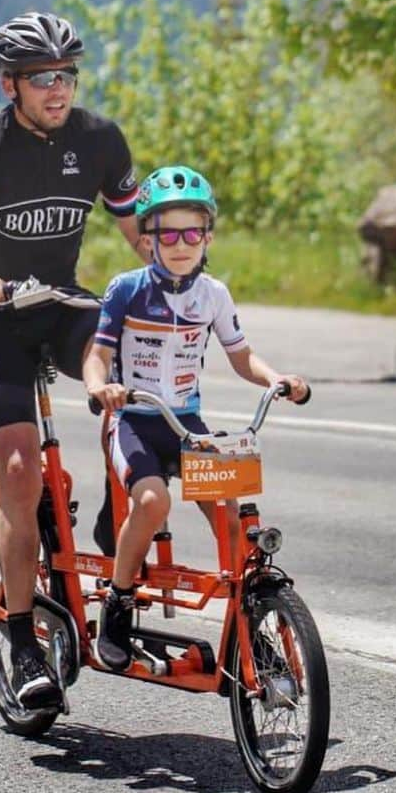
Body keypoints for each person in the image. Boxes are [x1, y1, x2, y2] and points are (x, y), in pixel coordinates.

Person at [0, 11, 141, 708]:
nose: (58, 88)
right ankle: (18, 637)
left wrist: (183, 283)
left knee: (133, 375)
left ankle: (115, 515)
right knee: (20, 472)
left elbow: (137, 230)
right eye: (43, 77)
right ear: (9, 84)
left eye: (67, 75)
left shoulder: (100, 139)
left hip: (62, 303)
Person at [82, 164, 310, 672]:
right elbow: (95, 356)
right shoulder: (125, 290)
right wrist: (101, 387)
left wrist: (278, 378)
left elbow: (241, 355)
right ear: (149, 239)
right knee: (152, 500)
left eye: (192, 232)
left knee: (230, 514)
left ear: (207, 237)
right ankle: (117, 605)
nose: (181, 244)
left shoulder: (214, 295)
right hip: (136, 421)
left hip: (186, 424)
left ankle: (251, 625)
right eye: (168, 233)